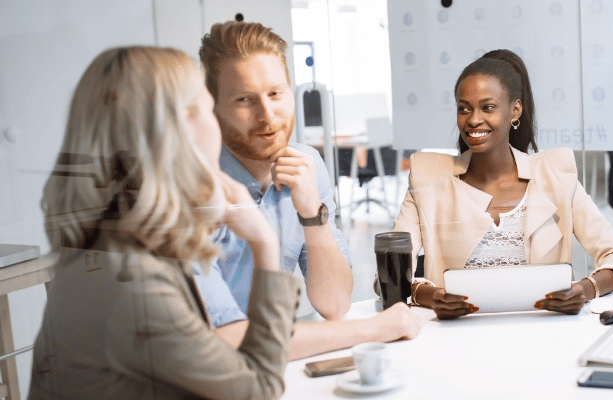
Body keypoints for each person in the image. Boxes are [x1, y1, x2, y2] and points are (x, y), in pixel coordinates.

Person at [29, 46, 296, 399]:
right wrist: (264, 242)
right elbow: (257, 389)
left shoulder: (119, 248)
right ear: (183, 124)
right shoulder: (131, 283)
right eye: (208, 108)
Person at [195, 21, 420, 360]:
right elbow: (224, 340)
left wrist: (312, 213)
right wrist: (373, 329)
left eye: (275, 94)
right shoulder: (193, 187)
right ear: (213, 106)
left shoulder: (308, 164)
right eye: (244, 100)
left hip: (279, 361)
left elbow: (334, 304)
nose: (267, 116)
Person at [393, 49, 613, 319]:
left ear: (515, 110)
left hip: (543, 333)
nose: (473, 119)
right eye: (464, 108)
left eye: (488, 107)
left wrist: (585, 289)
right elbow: (389, 275)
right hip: (458, 338)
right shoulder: (429, 180)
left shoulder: (554, 175)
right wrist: (431, 296)